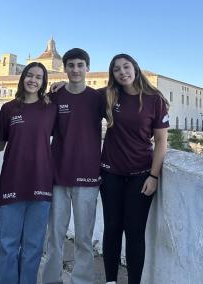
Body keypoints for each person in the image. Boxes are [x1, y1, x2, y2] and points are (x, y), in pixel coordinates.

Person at [100, 54, 169, 284]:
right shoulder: (109, 96)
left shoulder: (154, 99)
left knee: (134, 232)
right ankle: (110, 280)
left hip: (141, 176)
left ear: (135, 68)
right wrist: (59, 86)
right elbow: (80, 96)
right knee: (111, 228)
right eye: (117, 69)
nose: (122, 72)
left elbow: (161, 141)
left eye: (126, 67)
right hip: (110, 174)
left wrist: (154, 175)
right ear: (113, 75)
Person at [42, 48, 105, 284]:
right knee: (55, 236)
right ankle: (51, 280)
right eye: (71, 65)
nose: (76, 70)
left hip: (88, 177)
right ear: (65, 68)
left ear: (87, 67)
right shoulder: (56, 96)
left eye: (80, 65)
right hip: (57, 176)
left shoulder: (98, 98)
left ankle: (82, 281)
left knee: (83, 238)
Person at [0, 62, 57, 284]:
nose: (33, 80)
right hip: (13, 181)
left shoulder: (51, 106)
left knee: (33, 246)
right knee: (7, 245)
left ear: (43, 82)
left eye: (39, 77)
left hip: (41, 182)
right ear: (22, 78)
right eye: (29, 75)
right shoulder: (9, 108)